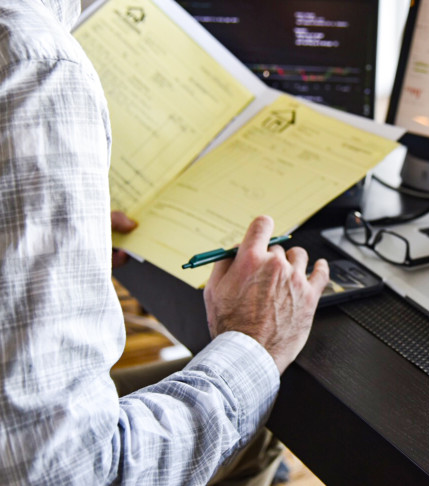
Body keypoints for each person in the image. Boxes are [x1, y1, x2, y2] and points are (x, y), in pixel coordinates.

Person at [0, 1, 330, 484]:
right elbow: (66, 474)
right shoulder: (35, 62)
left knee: (254, 433)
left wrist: (58, 229)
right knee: (258, 412)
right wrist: (254, 341)